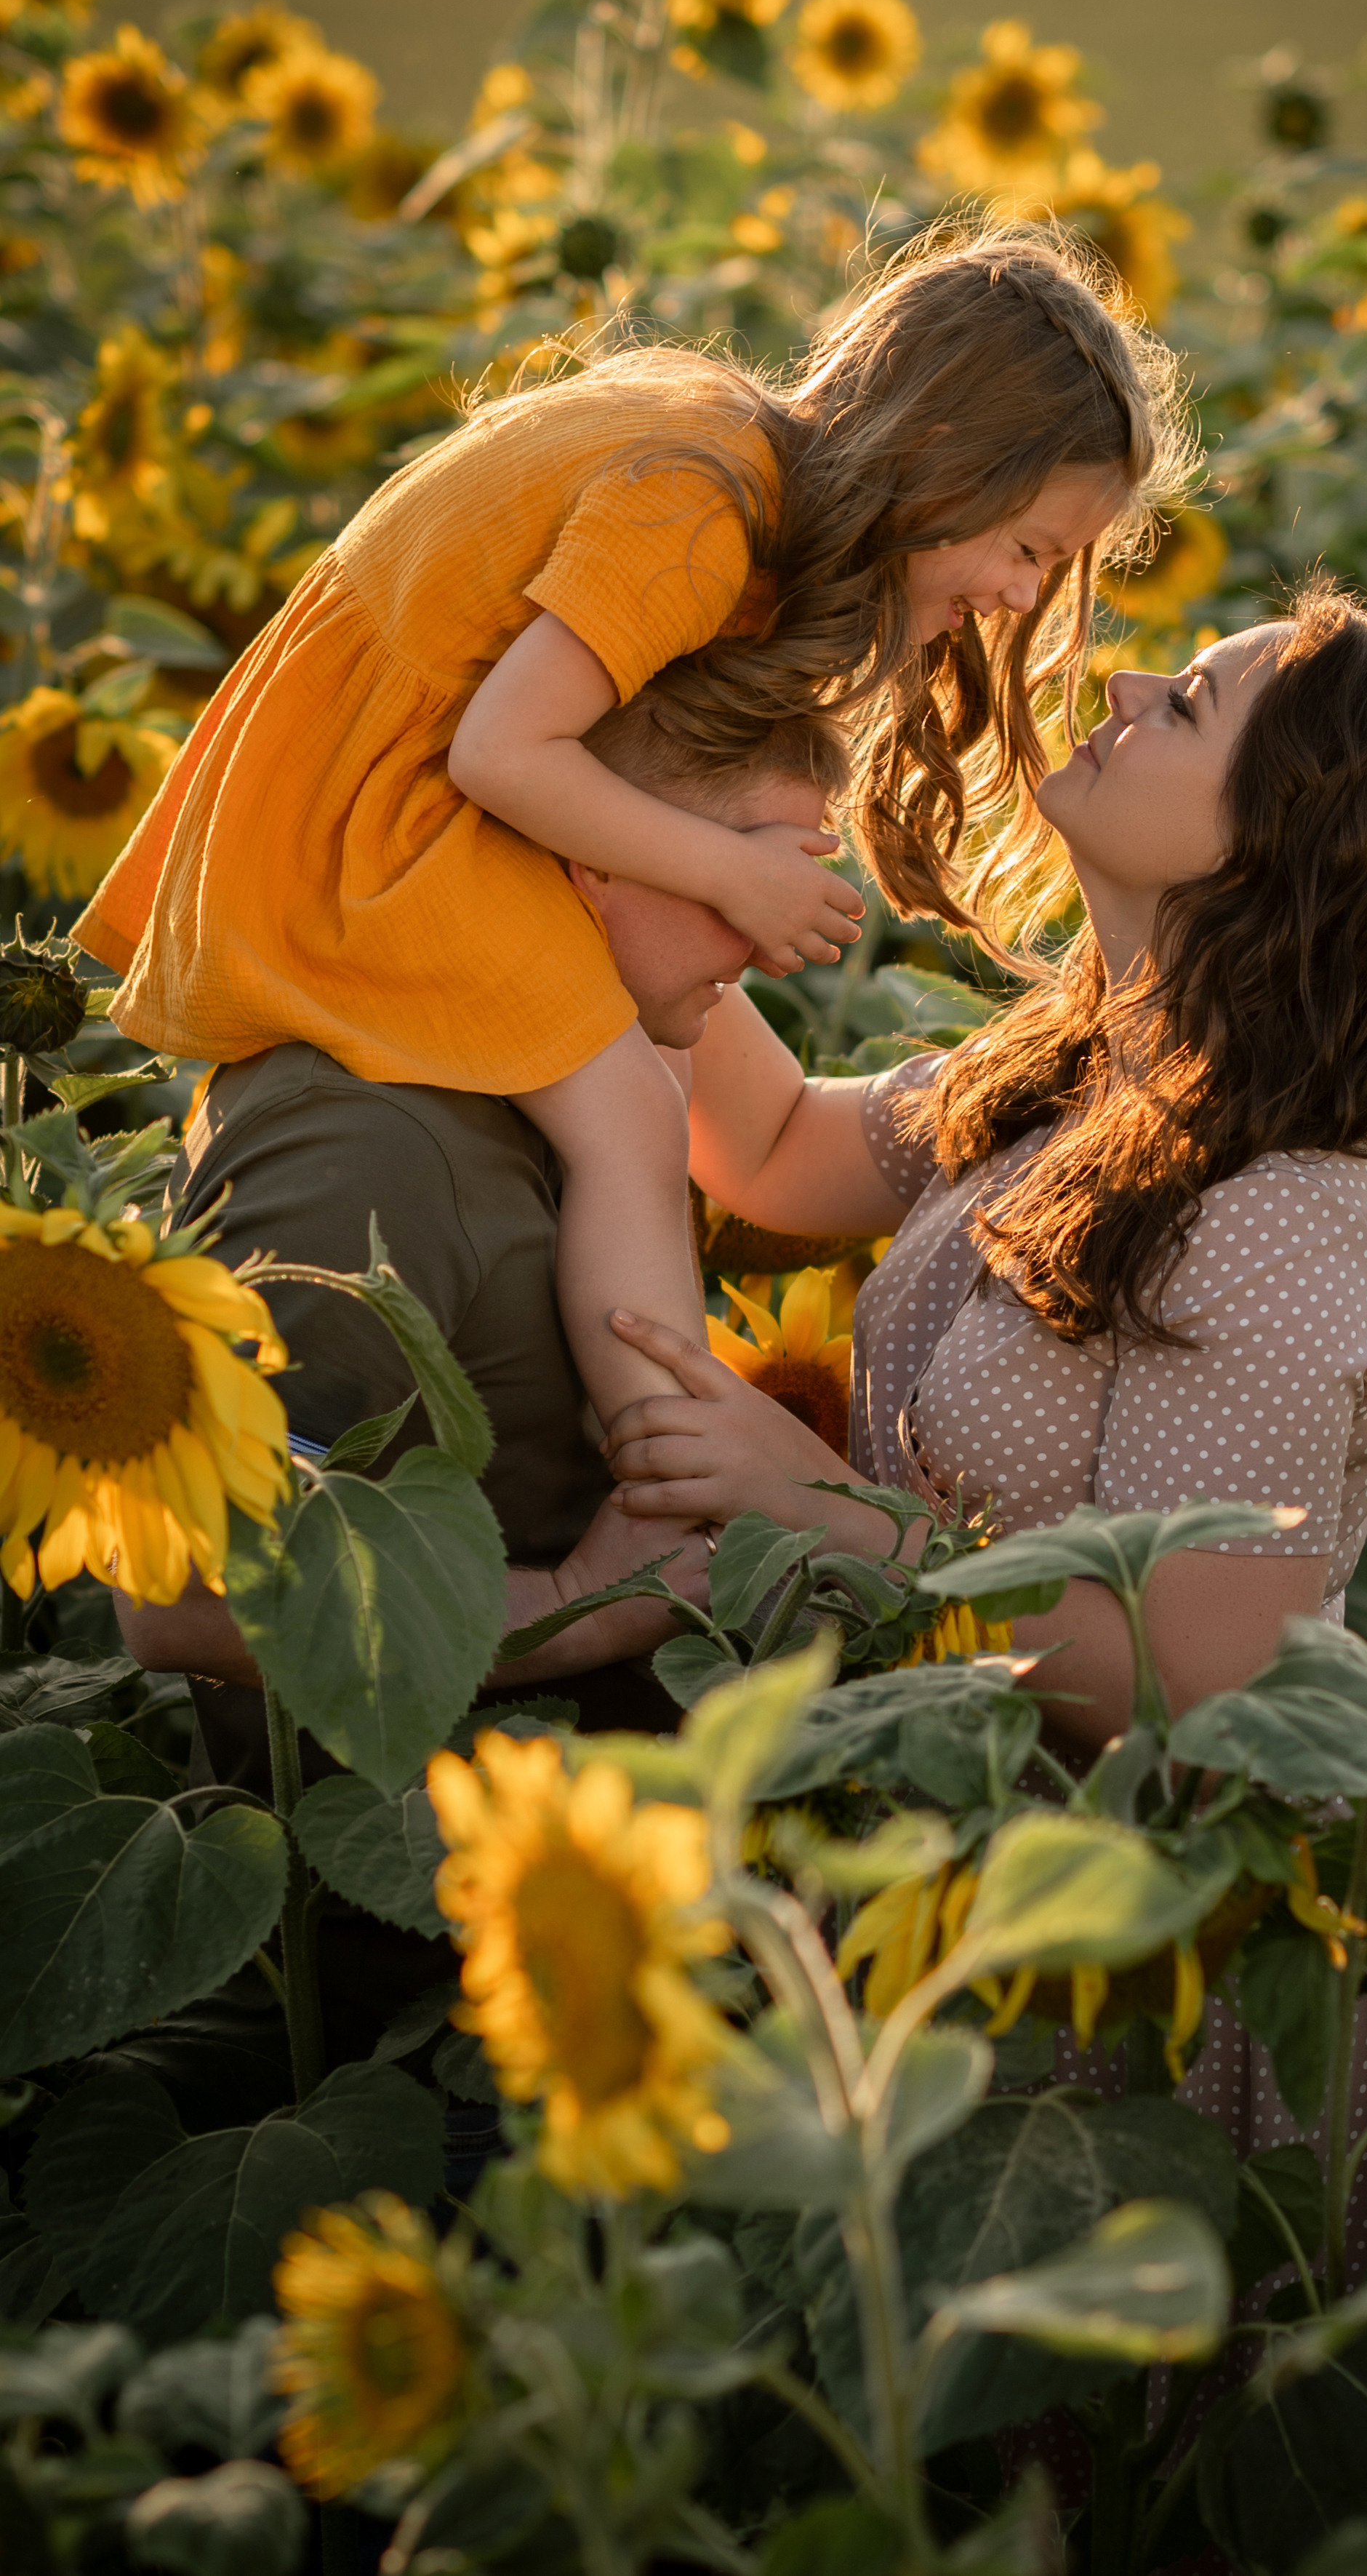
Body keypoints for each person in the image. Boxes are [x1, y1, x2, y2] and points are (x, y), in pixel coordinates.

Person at [594, 582, 1367, 2279]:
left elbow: (1195, 1685)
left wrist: (816, 1499)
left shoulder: (1287, 1206)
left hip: (1162, 1980)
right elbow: (777, 1146)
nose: (1128, 676)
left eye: (1194, 702)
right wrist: (627, 858)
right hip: (972, 1880)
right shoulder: (1091, 1071)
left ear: (1279, 846)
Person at [76, 223, 1190, 1468]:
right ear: (940, 454)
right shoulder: (700, 505)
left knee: (641, 1080)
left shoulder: (727, 469)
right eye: (1029, 549)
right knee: (630, 1121)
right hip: (376, 816)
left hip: (391, 784)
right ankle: (668, 1464)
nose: (1024, 598)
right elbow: (502, 755)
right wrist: (732, 873)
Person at [114, 688, 849, 2066]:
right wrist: (568, 1612)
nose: (772, 941)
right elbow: (182, 1595)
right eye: (739, 870)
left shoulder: (578, 1077)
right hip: (434, 2009)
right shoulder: (365, 1141)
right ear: (588, 852)